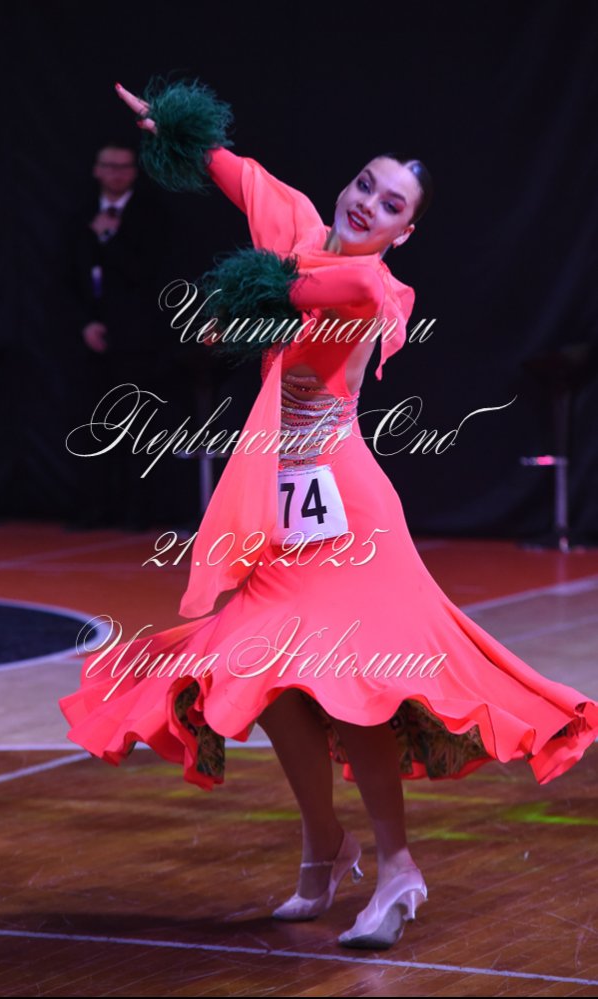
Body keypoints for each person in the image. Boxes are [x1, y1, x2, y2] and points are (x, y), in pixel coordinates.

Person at [59, 79, 598, 950]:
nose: (367, 203)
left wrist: (265, 296)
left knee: (354, 689)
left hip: (348, 516)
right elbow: (240, 176)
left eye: (391, 204)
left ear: (403, 231)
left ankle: (398, 867)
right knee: (260, 674)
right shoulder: (300, 232)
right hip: (284, 512)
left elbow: (331, 291)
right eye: (365, 184)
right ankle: (325, 844)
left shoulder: (373, 283)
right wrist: (176, 130)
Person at [64, 142, 168, 530]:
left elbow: (148, 275)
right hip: (90, 337)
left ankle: (138, 510)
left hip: (136, 340)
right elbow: (67, 279)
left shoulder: (150, 217)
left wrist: (110, 238)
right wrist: (84, 324)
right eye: (109, 165)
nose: (116, 173)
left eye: (124, 167)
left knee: (136, 424)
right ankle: (93, 508)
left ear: (134, 172)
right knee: (92, 425)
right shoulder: (79, 216)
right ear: (97, 170)